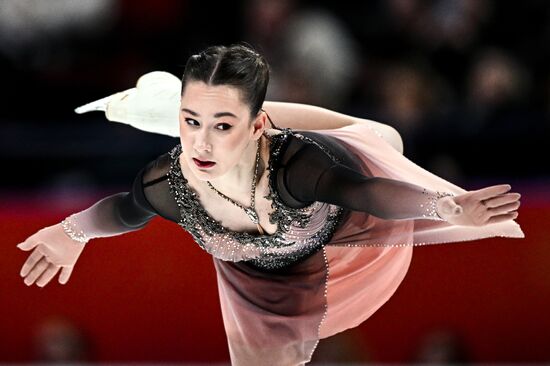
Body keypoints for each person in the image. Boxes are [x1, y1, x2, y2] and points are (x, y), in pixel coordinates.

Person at [17, 44, 523, 366]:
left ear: (256, 127)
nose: (200, 147)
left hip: (343, 200)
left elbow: (364, 193)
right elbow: (126, 209)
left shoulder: (297, 168)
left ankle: (179, 108)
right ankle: (170, 107)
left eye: (219, 127)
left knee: (383, 137)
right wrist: (72, 232)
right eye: (190, 123)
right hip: (264, 273)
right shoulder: (171, 182)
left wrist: (443, 206)